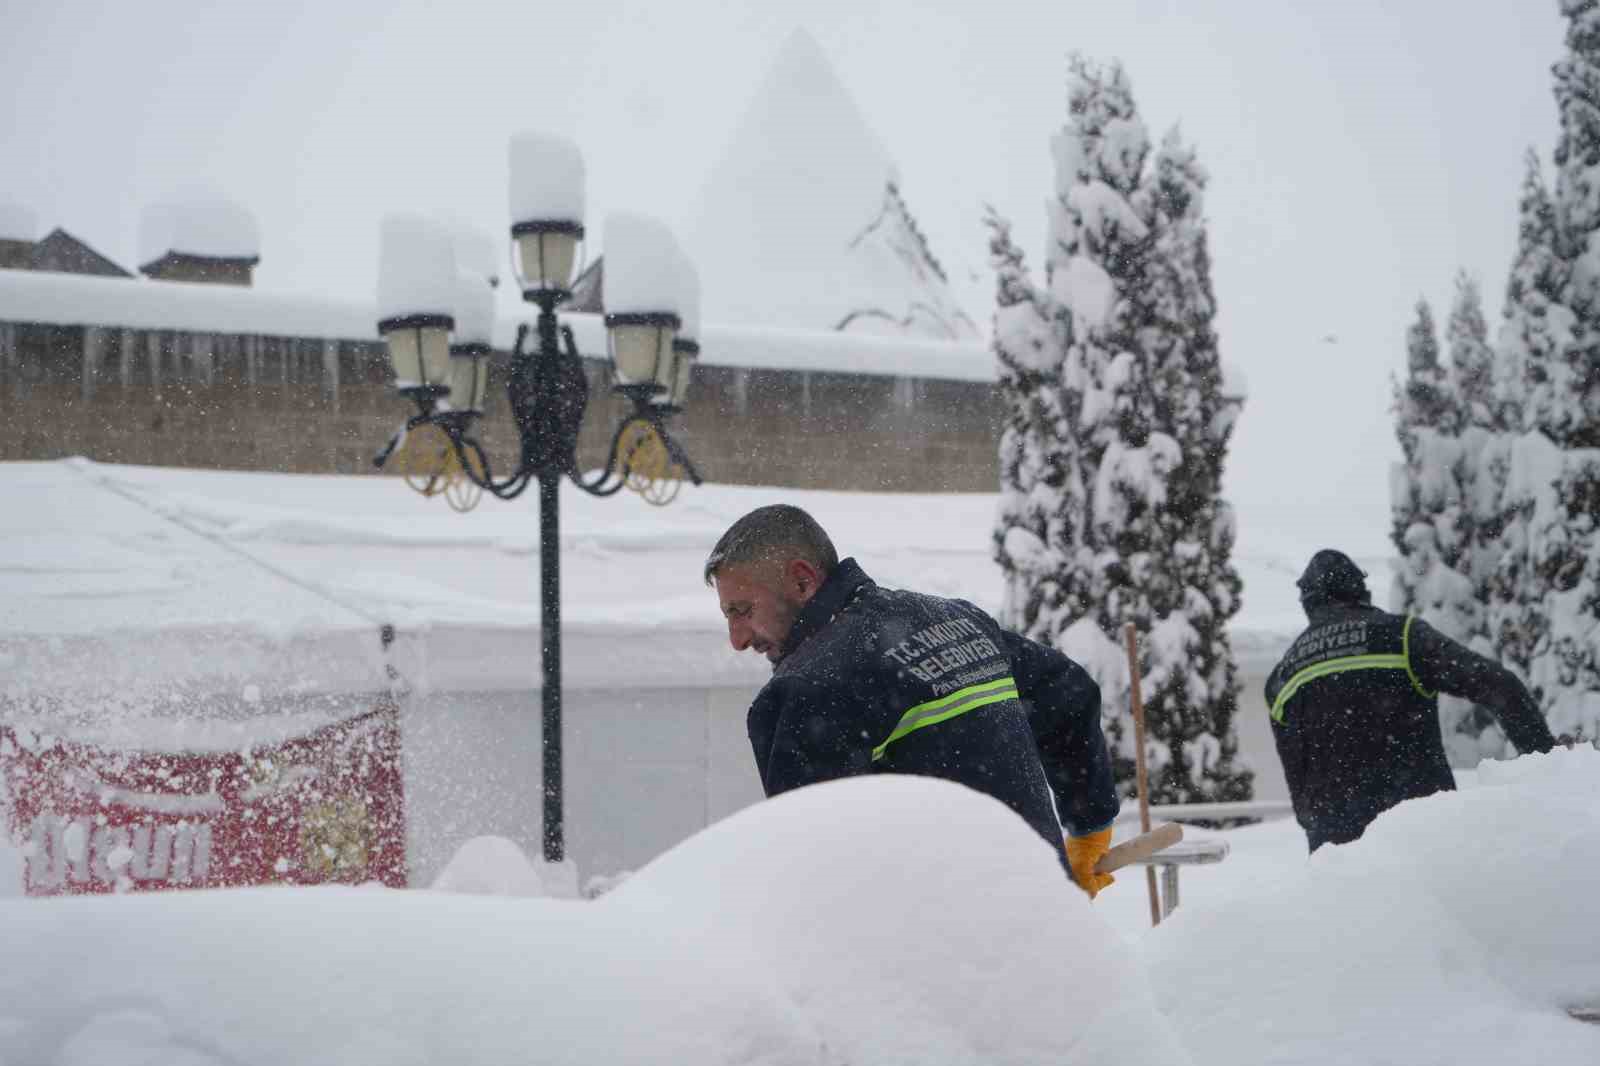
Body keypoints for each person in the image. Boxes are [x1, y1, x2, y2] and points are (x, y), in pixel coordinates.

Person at [704, 504, 1121, 896]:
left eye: (742, 610)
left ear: (802, 580)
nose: (737, 639)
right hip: (1049, 925)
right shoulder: (956, 620)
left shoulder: (804, 690)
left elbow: (820, 872)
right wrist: (1089, 824)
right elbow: (1068, 692)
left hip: (943, 957)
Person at [1265, 548, 1557, 852]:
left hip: (1339, 862)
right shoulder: (1403, 638)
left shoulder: (1284, 676)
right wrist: (1547, 761)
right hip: (1424, 843)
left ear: (1308, 602)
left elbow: (1299, 788)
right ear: (1360, 591)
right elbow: (1498, 685)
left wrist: (1324, 824)